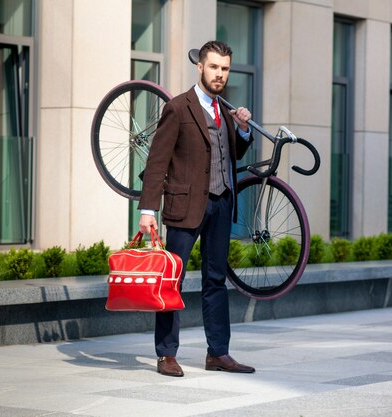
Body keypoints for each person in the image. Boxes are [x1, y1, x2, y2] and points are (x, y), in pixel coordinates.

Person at [138, 40, 255, 377]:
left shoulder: (225, 113)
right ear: (200, 67)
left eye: (225, 69)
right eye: (214, 67)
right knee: (170, 280)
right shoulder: (178, 107)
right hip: (184, 206)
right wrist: (148, 210)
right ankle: (166, 354)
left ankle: (218, 352)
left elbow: (229, 154)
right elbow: (157, 161)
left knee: (216, 281)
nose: (220, 74)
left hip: (221, 204)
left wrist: (244, 129)